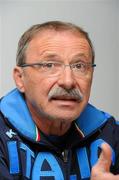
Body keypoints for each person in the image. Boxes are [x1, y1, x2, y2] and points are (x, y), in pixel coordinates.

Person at [0, 21, 119, 180]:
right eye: (49, 65)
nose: (68, 81)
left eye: (79, 66)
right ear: (20, 78)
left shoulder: (111, 132)